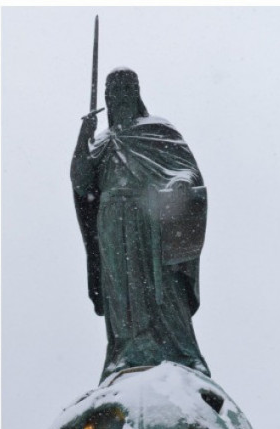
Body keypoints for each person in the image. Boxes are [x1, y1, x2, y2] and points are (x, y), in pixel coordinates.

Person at [71, 67, 209, 383]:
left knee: (163, 286)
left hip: (150, 218)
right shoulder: (101, 141)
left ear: (136, 94)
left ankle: (182, 351)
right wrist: (84, 136)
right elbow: (81, 183)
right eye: (111, 93)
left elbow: (187, 171)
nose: (117, 97)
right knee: (121, 290)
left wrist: (180, 185)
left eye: (123, 91)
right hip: (112, 223)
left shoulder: (157, 130)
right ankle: (125, 353)